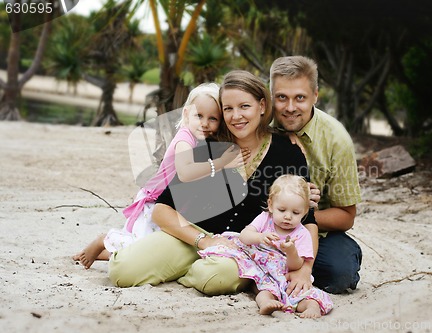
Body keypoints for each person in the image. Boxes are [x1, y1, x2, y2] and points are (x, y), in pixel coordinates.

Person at [107, 70, 318, 296]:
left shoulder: (288, 152)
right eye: (228, 109)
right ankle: (185, 267)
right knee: (122, 271)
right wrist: (204, 241)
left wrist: (306, 270)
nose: (236, 116)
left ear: (262, 106)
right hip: (194, 237)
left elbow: (309, 222)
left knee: (215, 278)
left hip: (244, 249)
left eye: (244, 106)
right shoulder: (208, 147)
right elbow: (161, 210)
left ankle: (187, 272)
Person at [73, 83, 246, 269]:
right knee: (140, 244)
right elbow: (186, 172)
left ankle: (99, 254)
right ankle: (103, 240)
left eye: (213, 118)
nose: (205, 123)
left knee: (144, 249)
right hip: (154, 202)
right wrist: (221, 163)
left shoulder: (198, 139)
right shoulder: (184, 138)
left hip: (168, 203)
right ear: (187, 114)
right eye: (199, 116)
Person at [270, 56, 362, 294]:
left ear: (315, 96)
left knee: (338, 273)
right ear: (271, 97)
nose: (290, 107)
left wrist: (300, 215)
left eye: (300, 97)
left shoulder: (336, 139)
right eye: (282, 97)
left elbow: (346, 216)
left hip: (317, 233)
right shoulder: (258, 125)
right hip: (264, 229)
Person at [199, 174, 333, 318]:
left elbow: (296, 266)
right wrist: (259, 237)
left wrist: (291, 251)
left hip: (284, 273)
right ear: (270, 205)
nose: (288, 216)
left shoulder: (302, 234)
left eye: (295, 212)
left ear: (305, 211)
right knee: (264, 289)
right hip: (263, 269)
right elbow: (244, 236)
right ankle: (266, 304)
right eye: (282, 210)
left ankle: (311, 308)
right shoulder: (265, 218)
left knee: (304, 294)